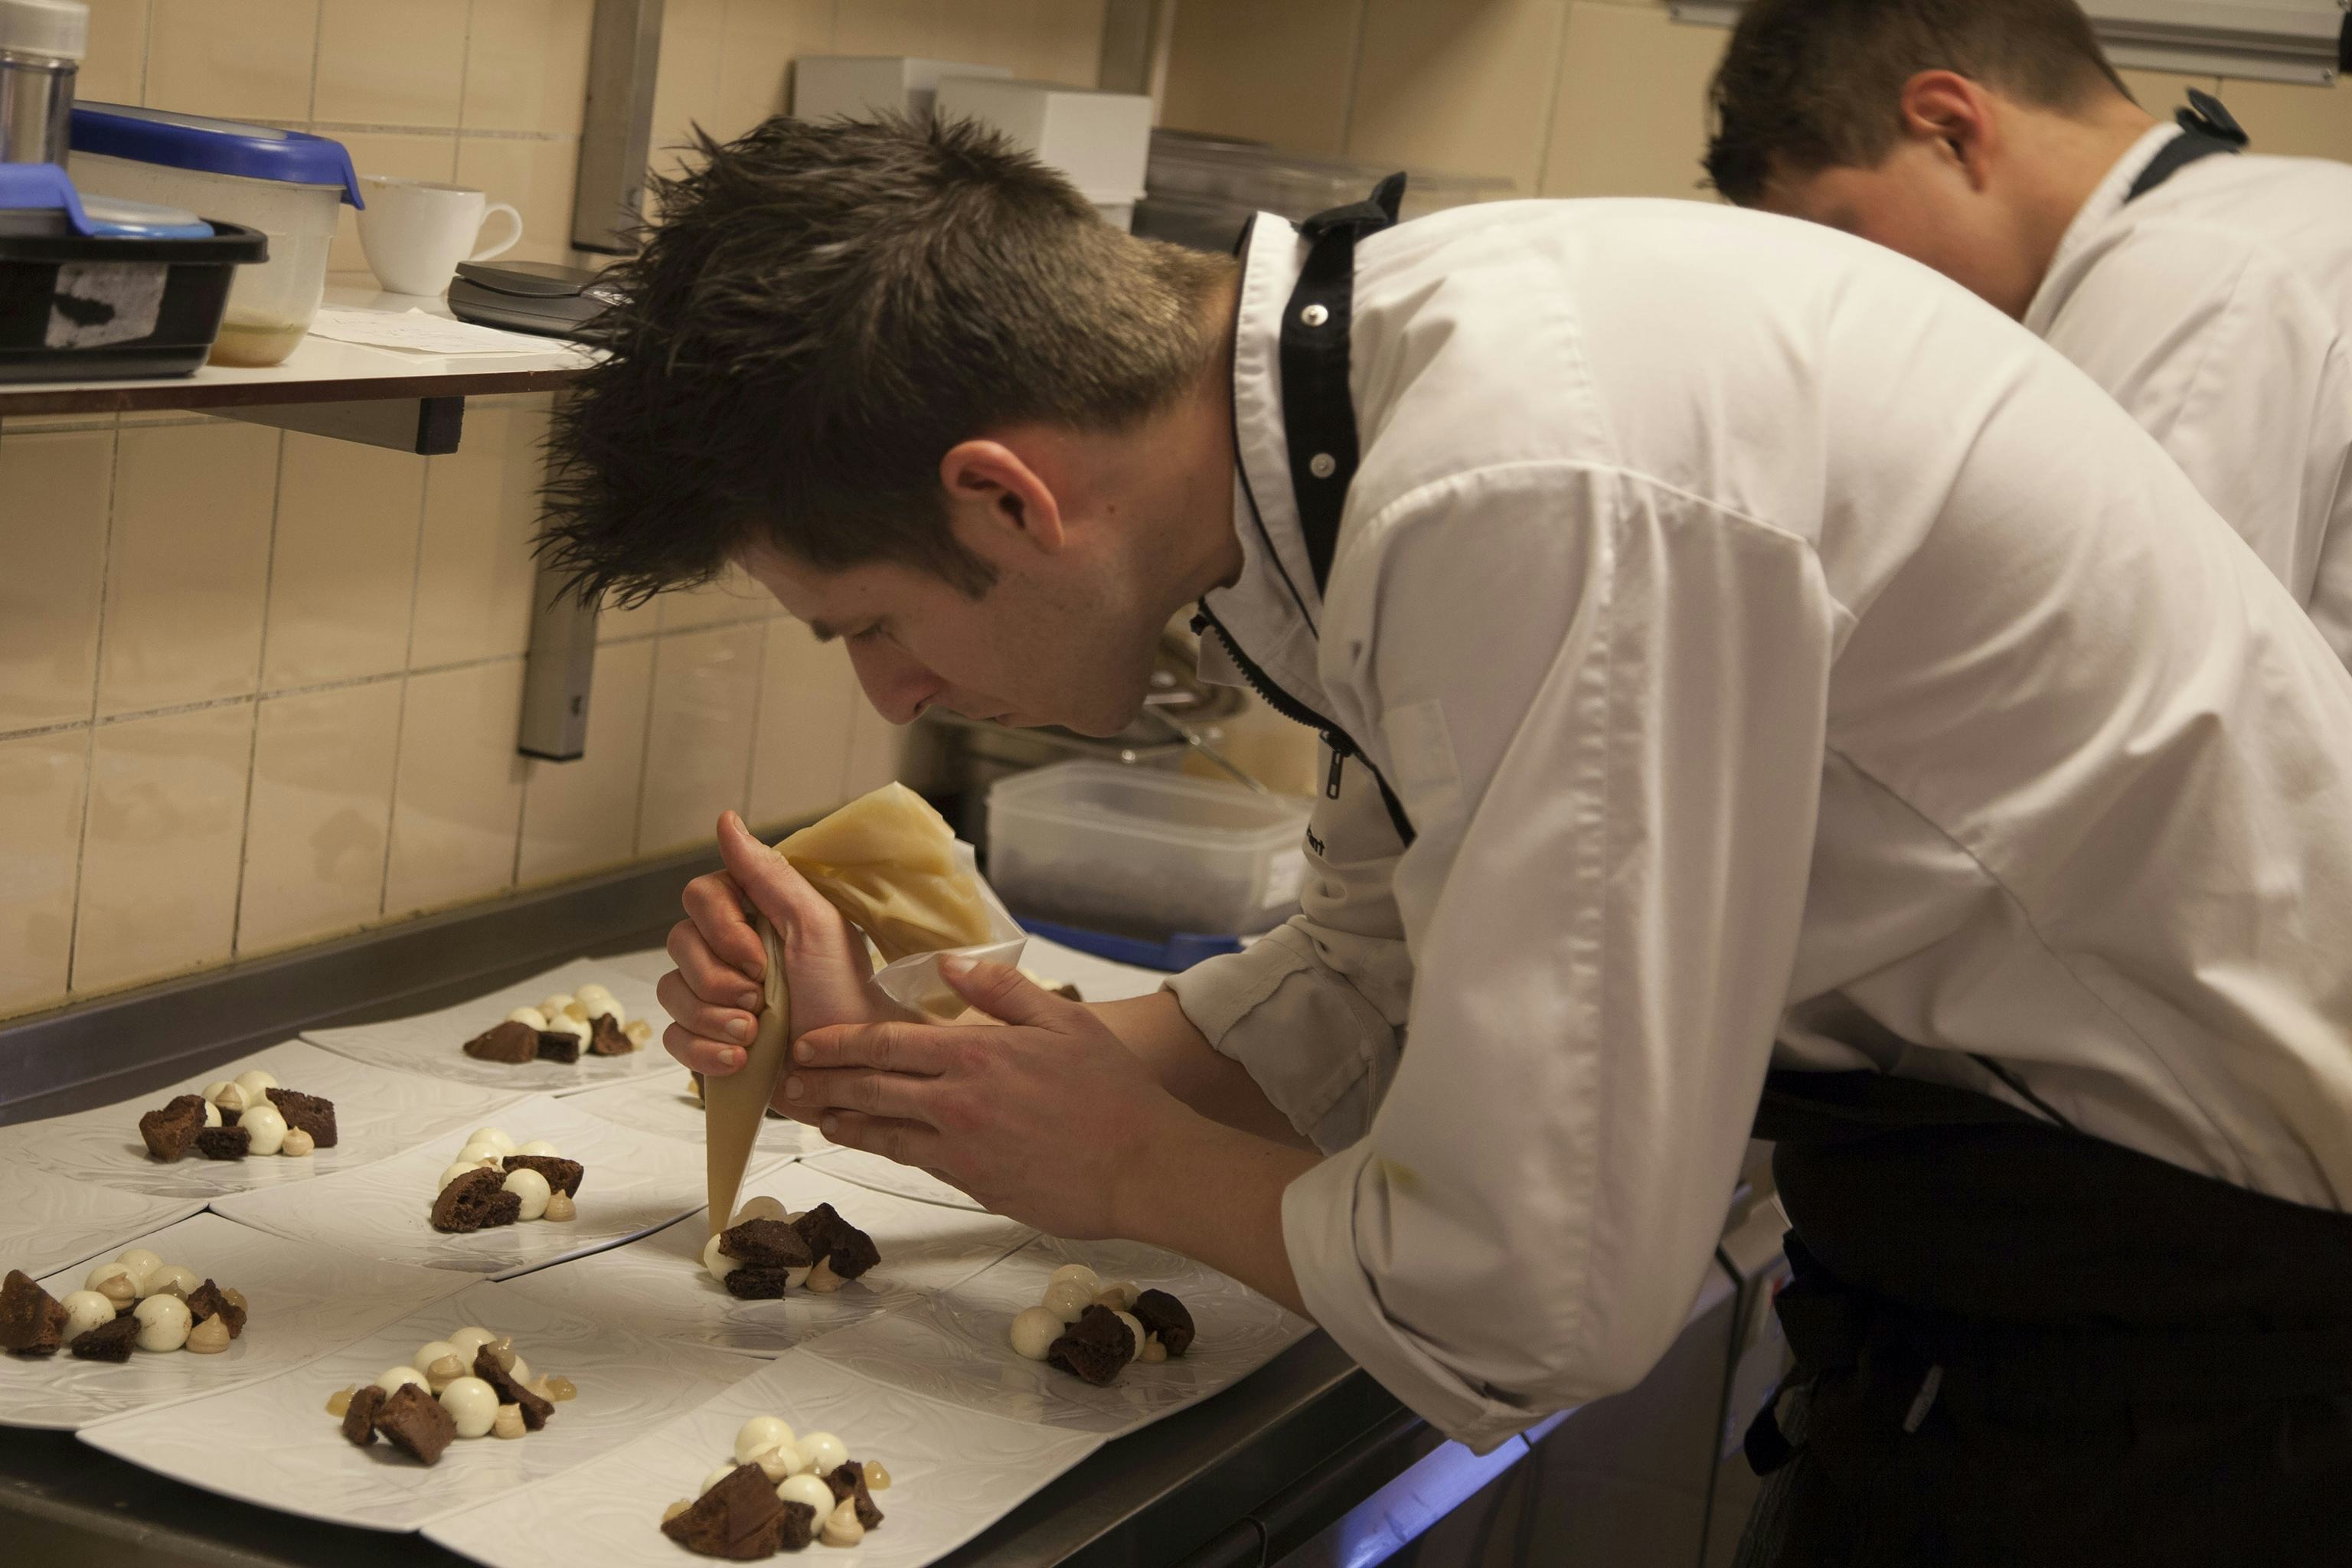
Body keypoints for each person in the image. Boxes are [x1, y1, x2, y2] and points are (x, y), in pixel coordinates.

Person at [541, 116, 2352, 1562]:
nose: (887, 691)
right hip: (2033, 1269)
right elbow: (1365, 981)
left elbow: (1540, 1288)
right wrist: (894, 1065)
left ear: (1004, 498)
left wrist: (1125, 1168)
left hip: (2216, 1335)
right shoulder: (1354, 427)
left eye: (864, 622)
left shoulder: (1528, 485)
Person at [1705, 0, 2352, 669]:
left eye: (1842, 237)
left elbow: (2110, 683)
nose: (1848, 290)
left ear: (1952, 130)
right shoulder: (2273, 220)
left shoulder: (2197, 277)